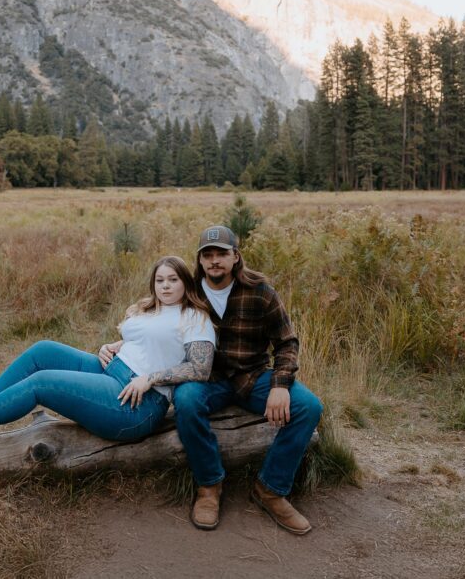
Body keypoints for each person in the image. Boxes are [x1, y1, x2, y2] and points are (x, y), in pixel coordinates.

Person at [102, 226, 323, 534]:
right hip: (207, 379)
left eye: (222, 253)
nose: (215, 261)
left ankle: (271, 489)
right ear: (200, 260)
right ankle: (210, 484)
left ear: (236, 256)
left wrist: (280, 385)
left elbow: (287, 342)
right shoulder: (190, 290)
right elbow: (155, 322)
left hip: (254, 375)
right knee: (186, 400)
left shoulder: (260, 291)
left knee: (309, 407)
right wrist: (121, 344)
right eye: (208, 255)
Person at [0, 256, 217, 449]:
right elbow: (153, 344)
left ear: (185, 282)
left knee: (43, 382)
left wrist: (150, 379)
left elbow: (200, 368)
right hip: (113, 371)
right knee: (43, 350)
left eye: (173, 279)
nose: (165, 286)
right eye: (160, 280)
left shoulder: (194, 318)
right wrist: (116, 345)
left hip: (137, 403)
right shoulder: (151, 309)